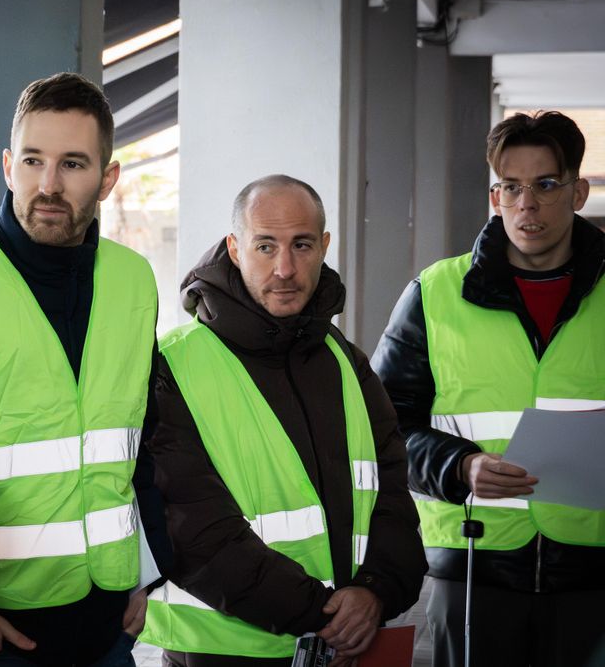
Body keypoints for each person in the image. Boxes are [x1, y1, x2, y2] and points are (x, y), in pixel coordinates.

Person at [0, 72, 163, 667]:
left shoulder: (134, 280)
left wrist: (147, 568)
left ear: (107, 178)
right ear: (9, 166)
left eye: (72, 164)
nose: (48, 185)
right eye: (34, 161)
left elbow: (141, 439)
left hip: (111, 625)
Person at [141, 175, 425, 666]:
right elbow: (191, 529)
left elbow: (392, 496)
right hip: (221, 652)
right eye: (265, 246)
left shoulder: (347, 363)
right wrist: (323, 616)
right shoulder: (173, 367)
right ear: (234, 247)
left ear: (324, 247)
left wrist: (375, 591)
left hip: (340, 645)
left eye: (302, 245)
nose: (285, 268)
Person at [372, 111, 605, 666]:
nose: (527, 204)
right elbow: (382, 426)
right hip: (473, 564)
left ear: (578, 191)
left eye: (546, 185)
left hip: (595, 569)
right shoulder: (435, 293)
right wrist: (459, 467)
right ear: (495, 197)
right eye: (511, 187)